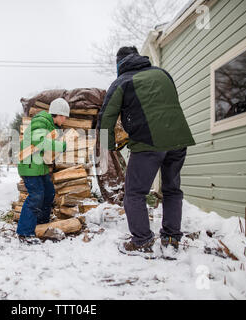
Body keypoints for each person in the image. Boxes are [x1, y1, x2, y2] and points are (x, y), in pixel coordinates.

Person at [97, 46, 196, 255]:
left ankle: (141, 241)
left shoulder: (122, 82)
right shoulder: (162, 74)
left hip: (148, 144)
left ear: (119, 64)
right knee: (172, 189)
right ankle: (171, 238)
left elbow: (106, 118)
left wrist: (109, 146)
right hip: (179, 140)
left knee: (134, 193)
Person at [17, 98, 70, 244]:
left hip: (39, 166)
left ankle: (41, 224)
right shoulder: (40, 121)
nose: (65, 119)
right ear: (57, 114)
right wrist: (61, 146)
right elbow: (38, 141)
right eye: (64, 116)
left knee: (49, 193)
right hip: (29, 166)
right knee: (36, 197)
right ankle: (24, 233)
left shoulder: (50, 124)